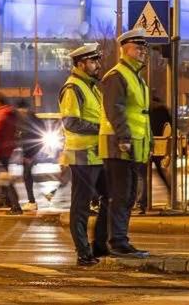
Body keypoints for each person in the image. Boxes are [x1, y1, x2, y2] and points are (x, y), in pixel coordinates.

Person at [99, 28, 152, 259]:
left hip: (133, 145)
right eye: (137, 47)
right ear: (124, 49)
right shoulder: (117, 75)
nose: (142, 52)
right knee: (121, 195)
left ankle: (120, 240)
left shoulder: (135, 76)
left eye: (143, 48)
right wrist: (124, 138)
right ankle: (117, 242)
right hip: (118, 145)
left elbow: (140, 114)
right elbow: (116, 110)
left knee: (129, 195)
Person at [59, 43, 109, 266]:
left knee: (110, 198)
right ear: (80, 64)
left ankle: (99, 245)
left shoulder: (90, 86)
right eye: (93, 61)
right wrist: (101, 128)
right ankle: (83, 252)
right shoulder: (73, 88)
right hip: (81, 155)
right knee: (80, 206)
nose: (97, 65)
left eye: (97, 60)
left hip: (96, 154)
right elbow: (71, 122)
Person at [137, 92, 172, 213]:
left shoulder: (143, 107)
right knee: (161, 171)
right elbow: (170, 124)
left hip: (145, 142)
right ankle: (171, 192)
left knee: (142, 174)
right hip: (160, 143)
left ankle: (142, 203)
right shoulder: (162, 107)